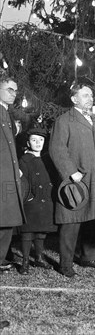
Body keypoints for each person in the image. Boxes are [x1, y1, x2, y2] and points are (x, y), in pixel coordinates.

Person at [49, 84, 95, 278]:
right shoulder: (64, 121)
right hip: (76, 179)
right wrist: (71, 172)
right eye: (85, 95)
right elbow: (57, 149)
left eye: (91, 95)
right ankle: (65, 263)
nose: (90, 98)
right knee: (71, 220)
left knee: (92, 218)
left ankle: (88, 257)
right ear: (74, 99)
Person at [17, 127, 57, 275]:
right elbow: (23, 181)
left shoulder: (47, 159)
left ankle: (39, 258)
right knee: (28, 232)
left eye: (41, 140)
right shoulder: (25, 159)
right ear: (28, 142)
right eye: (34, 140)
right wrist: (29, 196)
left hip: (46, 199)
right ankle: (25, 261)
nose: (38, 143)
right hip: (31, 200)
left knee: (41, 231)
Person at [0, 76, 25, 273]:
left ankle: (1, 257)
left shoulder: (6, 112)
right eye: (9, 89)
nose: (13, 94)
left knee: (7, 218)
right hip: (2, 175)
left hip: (8, 173)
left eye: (15, 90)